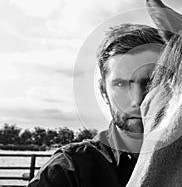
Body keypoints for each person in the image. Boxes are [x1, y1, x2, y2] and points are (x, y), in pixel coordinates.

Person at [28, 24, 165, 187]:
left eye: (151, 82)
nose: (137, 100)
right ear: (103, 91)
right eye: (121, 84)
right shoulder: (67, 171)